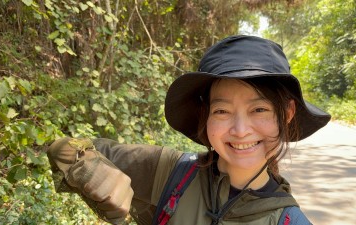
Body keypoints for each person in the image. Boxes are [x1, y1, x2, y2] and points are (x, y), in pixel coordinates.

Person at [46, 35, 331, 225]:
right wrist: (92, 172)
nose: (241, 130)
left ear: (288, 114)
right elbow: (65, 148)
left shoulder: (289, 220)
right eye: (222, 111)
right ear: (205, 115)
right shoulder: (169, 173)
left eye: (259, 110)